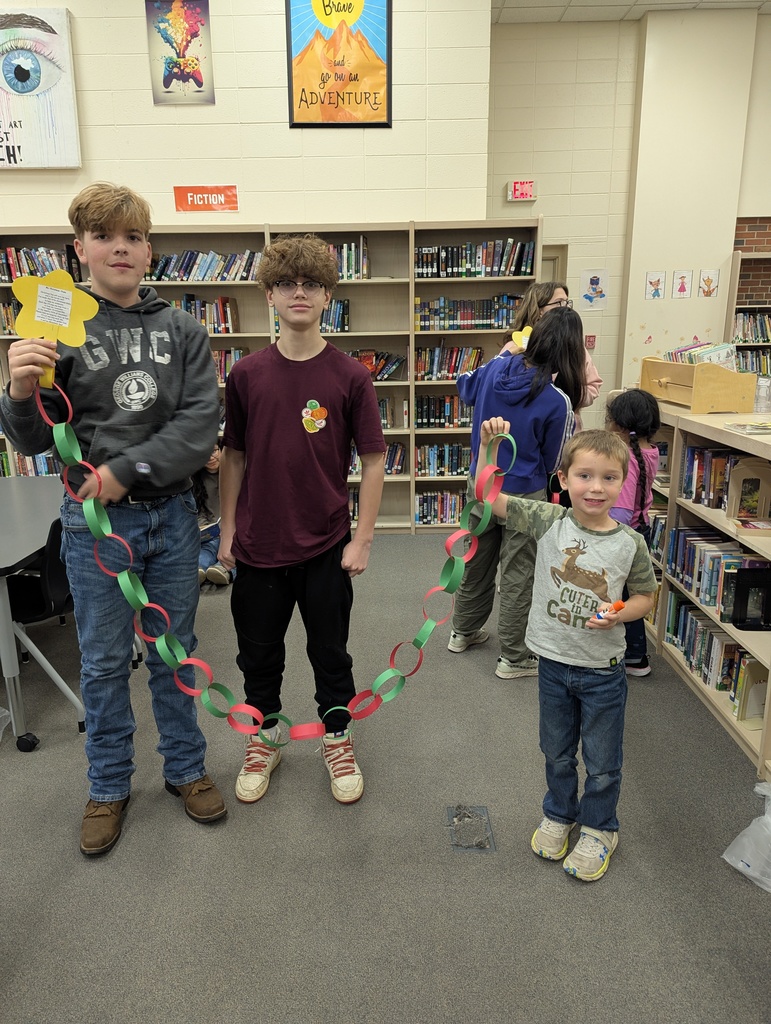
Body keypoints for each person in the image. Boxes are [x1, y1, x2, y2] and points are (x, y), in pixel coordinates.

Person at [0, 182, 226, 856]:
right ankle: (108, 785)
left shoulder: (183, 330)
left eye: (132, 237)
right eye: (104, 237)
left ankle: (185, 770)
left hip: (173, 516)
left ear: (149, 249)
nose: (119, 248)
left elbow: (198, 425)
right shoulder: (56, 319)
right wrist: (17, 387)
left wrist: (125, 471)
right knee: (100, 664)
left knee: (173, 653)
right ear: (81, 249)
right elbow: (34, 441)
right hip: (94, 527)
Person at [217, 233, 385, 806]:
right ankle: (265, 735)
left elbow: (373, 459)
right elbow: (234, 455)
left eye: (311, 284)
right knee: (257, 652)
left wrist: (362, 538)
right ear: (268, 293)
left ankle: (337, 737)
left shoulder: (350, 376)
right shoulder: (245, 375)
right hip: (258, 543)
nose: (298, 293)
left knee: (330, 651)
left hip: (326, 543)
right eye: (286, 283)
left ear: (328, 295)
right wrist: (227, 528)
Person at [478, 416, 657, 881]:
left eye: (609, 478)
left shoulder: (630, 543)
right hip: (553, 666)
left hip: (602, 671)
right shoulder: (549, 520)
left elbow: (645, 597)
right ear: (563, 480)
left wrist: (621, 612)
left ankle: (600, 828)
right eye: (584, 475)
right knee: (556, 751)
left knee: (601, 761)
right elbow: (488, 499)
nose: (595, 488)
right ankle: (560, 813)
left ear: (622, 482)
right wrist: (488, 449)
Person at [448, 306, 585, 679]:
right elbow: (554, 459)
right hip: (524, 496)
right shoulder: (557, 401)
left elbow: (464, 385)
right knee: (518, 571)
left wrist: (503, 354)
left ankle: (462, 630)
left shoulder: (494, 369)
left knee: (476, 556)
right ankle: (513, 656)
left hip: (481, 485)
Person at [606, 388, 661, 677]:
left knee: (624, 595)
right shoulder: (650, 451)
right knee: (635, 592)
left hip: (625, 533)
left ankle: (635, 656)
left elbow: (621, 512)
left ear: (619, 424)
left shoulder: (626, 457)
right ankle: (636, 653)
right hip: (642, 528)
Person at [505, 281, 603, 426]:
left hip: (565, 424)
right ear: (538, 310)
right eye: (558, 303)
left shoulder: (575, 346)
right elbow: (502, 387)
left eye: (567, 302)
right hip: (526, 425)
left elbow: (593, 386)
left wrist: (567, 397)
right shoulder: (515, 346)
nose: (565, 308)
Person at [193, 442, 234, 586]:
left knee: (235, 549)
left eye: (214, 451)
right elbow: (198, 512)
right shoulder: (196, 480)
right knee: (208, 548)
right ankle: (200, 569)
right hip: (212, 530)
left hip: (235, 529)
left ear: (222, 450)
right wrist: (205, 527)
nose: (210, 457)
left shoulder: (234, 474)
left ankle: (223, 570)